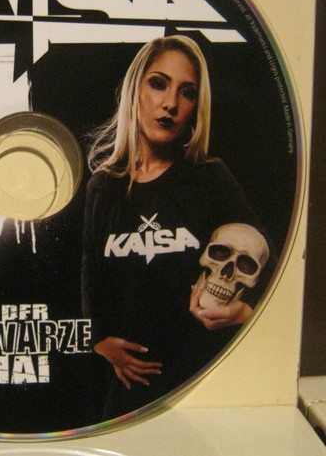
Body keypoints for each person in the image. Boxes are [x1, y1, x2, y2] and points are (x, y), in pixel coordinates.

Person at [81, 35, 271, 419]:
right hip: (128, 393)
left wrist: (244, 312)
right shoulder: (103, 187)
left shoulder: (210, 178)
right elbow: (91, 271)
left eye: (187, 93)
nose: (171, 103)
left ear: (196, 106)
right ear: (135, 90)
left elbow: (264, 253)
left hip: (205, 387)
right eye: (158, 84)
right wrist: (99, 341)